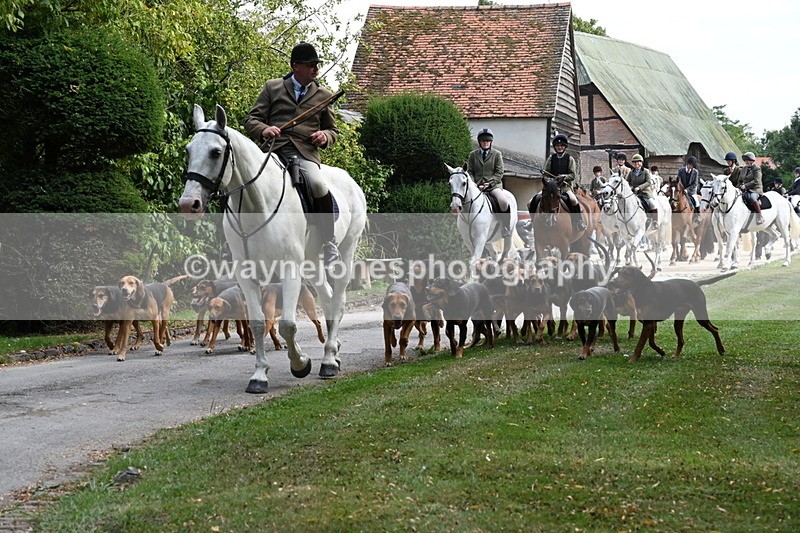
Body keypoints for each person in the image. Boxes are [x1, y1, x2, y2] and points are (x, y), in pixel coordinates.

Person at [244, 42, 341, 266]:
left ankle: (329, 241)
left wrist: (324, 136)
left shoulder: (324, 95)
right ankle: (230, 244)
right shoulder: (272, 87)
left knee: (317, 184)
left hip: (304, 152)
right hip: (273, 149)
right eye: (311, 65)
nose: (316, 69)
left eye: (317, 65)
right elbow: (252, 119)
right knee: (242, 179)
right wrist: (264, 129)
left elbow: (333, 130)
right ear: (296, 66)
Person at [529, 133, 585, 231]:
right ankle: (532, 221)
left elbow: (573, 175)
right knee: (530, 202)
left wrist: (563, 177)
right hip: (551, 188)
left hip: (565, 187)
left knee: (573, 200)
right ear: (555, 147)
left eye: (561, 146)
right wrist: (550, 181)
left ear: (565, 147)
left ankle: (579, 221)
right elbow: (545, 174)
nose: (559, 147)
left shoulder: (570, 159)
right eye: (557, 146)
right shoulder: (551, 159)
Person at [466, 128, 511, 237]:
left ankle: (505, 226)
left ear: (491, 142)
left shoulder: (497, 154)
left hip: (493, 186)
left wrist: (489, 183)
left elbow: (499, 172)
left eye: (488, 141)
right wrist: (473, 182)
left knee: (503, 201)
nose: (486, 143)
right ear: (479, 142)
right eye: (483, 141)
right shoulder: (473, 155)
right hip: (476, 186)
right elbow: (470, 171)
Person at [627, 154, 658, 226]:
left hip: (645, 193)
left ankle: (655, 221)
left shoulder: (646, 171)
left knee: (653, 204)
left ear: (641, 162)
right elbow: (627, 182)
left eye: (638, 162)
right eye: (634, 162)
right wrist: (631, 187)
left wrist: (639, 187)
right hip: (634, 194)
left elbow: (648, 182)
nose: (636, 163)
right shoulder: (631, 172)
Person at [739, 151, 764, 225]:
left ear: (752, 160)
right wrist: (739, 186)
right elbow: (739, 180)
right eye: (745, 160)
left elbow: (756, 181)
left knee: (752, 198)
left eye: (747, 160)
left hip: (755, 189)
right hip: (745, 189)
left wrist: (745, 186)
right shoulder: (743, 169)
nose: (746, 162)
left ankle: (759, 216)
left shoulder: (757, 169)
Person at [677, 156, 700, 222]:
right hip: (681, 190)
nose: (690, 166)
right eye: (690, 164)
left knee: (696, 202)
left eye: (692, 165)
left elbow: (695, 184)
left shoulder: (695, 172)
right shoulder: (681, 170)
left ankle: (697, 216)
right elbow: (679, 181)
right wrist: (682, 189)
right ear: (687, 164)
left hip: (691, 191)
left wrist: (687, 190)